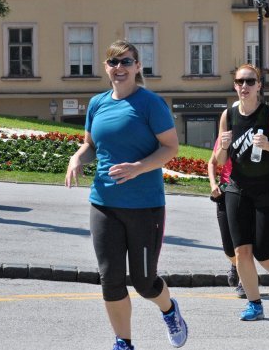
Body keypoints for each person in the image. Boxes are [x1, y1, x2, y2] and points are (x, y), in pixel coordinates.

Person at [65, 40, 188, 350]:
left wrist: (138, 167)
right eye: (113, 62)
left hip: (145, 206)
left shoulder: (150, 104)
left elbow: (170, 148)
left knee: (145, 282)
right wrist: (77, 158)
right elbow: (91, 145)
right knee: (111, 279)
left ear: (137, 67)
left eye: (126, 62)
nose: (119, 68)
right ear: (106, 68)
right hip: (104, 203)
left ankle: (170, 310)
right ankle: (123, 342)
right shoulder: (97, 104)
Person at [214, 63, 269, 321]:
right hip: (238, 189)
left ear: (259, 85)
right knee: (242, 252)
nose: (244, 87)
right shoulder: (228, 115)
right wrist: (223, 147)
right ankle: (255, 304)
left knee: (263, 252)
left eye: (250, 81)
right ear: (235, 85)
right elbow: (218, 160)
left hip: (268, 191)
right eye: (240, 82)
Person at [208, 136, 246, 298]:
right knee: (228, 247)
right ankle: (238, 266)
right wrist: (213, 184)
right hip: (224, 192)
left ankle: (245, 280)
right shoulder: (225, 137)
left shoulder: (253, 136)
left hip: (245, 194)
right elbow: (212, 162)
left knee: (244, 242)